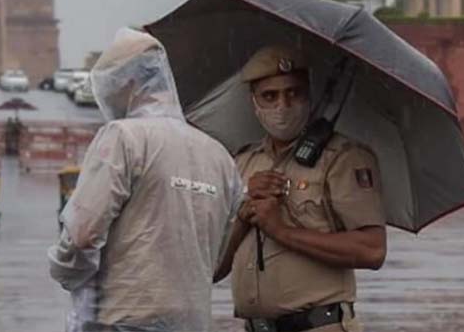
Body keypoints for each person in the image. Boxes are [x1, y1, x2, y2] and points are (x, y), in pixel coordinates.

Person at [48, 28, 242, 332]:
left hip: (123, 318)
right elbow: (217, 255)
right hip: (191, 321)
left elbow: (83, 233)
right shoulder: (219, 156)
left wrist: (62, 269)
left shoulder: (123, 138)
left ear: (128, 82)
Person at [214, 46, 387, 332]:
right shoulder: (242, 163)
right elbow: (212, 268)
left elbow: (372, 250)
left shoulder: (342, 158)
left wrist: (282, 231)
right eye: (269, 96)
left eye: (293, 92)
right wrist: (243, 210)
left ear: (309, 96)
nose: (282, 105)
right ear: (254, 103)